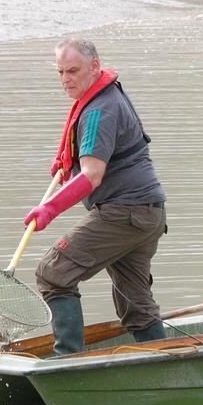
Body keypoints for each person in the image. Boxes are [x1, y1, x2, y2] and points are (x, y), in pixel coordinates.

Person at [24, 38, 168, 355]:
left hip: (124, 213)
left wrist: (49, 208)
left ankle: (69, 363)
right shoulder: (107, 96)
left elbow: (92, 175)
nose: (65, 80)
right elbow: (99, 158)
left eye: (72, 71)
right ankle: (168, 362)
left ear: (94, 66)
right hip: (147, 213)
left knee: (53, 273)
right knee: (136, 305)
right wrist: (69, 162)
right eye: (60, 72)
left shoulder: (99, 110)